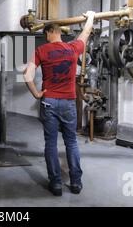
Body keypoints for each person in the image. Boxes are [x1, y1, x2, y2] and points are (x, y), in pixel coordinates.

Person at [23, 11, 96, 197]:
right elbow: (85, 33)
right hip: (69, 102)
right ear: (59, 32)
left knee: (50, 143)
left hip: (49, 102)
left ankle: (55, 184)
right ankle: (76, 183)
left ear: (48, 33)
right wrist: (91, 17)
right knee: (71, 142)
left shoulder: (41, 51)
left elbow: (26, 75)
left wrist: (37, 94)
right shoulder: (72, 49)